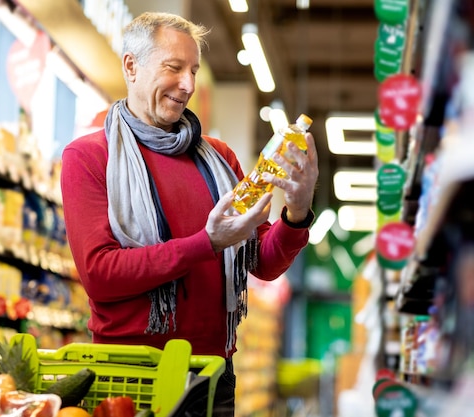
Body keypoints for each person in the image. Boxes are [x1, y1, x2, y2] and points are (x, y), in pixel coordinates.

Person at [60, 11, 319, 416]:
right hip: (129, 377)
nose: (188, 85)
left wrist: (298, 211)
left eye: (194, 70)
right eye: (174, 67)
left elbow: (263, 263)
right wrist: (207, 243)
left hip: (212, 374)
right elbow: (99, 274)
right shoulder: (91, 157)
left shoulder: (219, 158)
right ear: (131, 66)